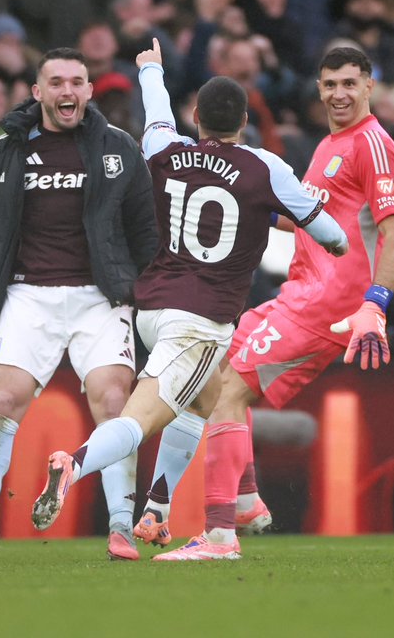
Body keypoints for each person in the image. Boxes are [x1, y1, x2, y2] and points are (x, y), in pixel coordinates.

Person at [29, 39, 349, 542]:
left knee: (208, 396)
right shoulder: (265, 167)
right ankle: (74, 463)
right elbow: (334, 237)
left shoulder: (165, 149)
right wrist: (301, 210)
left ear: (196, 116)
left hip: (152, 308)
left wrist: (151, 70)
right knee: (140, 418)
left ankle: (156, 510)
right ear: (245, 121)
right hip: (201, 319)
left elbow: (156, 114)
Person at [144, 46, 394, 561]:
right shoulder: (332, 145)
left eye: (350, 84)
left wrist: (375, 304)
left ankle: (220, 536)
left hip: (328, 303)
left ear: (369, 87)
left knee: (225, 396)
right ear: (318, 87)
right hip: (300, 291)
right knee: (218, 369)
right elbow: (300, 218)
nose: (339, 94)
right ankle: (244, 499)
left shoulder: (374, 145)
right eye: (331, 84)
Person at [0, 47, 159, 563]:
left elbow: (145, 229)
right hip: (28, 293)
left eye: (76, 82)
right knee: (2, 401)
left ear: (89, 91)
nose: (67, 92)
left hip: (99, 296)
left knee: (114, 403)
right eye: (57, 83)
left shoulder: (118, 148)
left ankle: (121, 528)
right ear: (37, 92)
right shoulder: (5, 151)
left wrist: (148, 291)